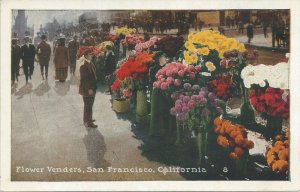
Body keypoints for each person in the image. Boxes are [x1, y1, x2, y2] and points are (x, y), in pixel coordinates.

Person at [79, 50, 98, 128]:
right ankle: (89, 122)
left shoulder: (91, 63)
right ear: (86, 55)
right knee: (88, 105)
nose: (92, 55)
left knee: (89, 105)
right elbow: (84, 79)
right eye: (90, 54)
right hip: (87, 89)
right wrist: (89, 89)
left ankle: (86, 119)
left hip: (92, 88)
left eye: (92, 54)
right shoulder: (83, 65)